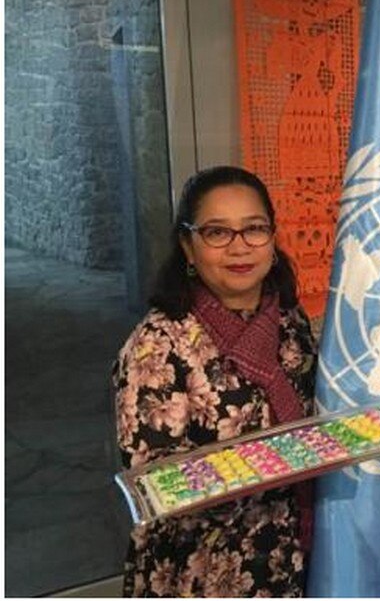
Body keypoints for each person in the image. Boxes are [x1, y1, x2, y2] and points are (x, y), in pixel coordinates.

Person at [113, 166, 316, 597]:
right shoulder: (158, 345)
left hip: (287, 549)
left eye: (254, 229)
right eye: (217, 233)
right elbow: (154, 481)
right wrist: (265, 463)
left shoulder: (289, 320)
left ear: (272, 239)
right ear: (188, 246)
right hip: (203, 567)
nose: (240, 247)